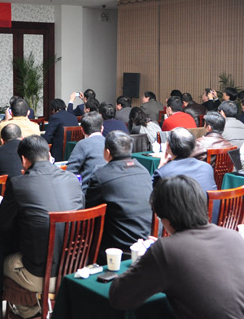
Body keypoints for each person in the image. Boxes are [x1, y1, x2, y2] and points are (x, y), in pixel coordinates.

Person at [109, 175, 244, 319]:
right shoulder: (234, 237)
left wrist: (146, 256)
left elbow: (119, 297)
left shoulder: (165, 250)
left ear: (166, 220)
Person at [0, 135, 83, 319]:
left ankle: (29, 308)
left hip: (39, 274)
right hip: (75, 268)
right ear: (49, 155)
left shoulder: (18, 183)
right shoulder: (72, 179)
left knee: (1, 261)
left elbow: (2, 224)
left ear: (24, 160)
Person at [85, 131, 152, 262]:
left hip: (118, 249)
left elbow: (89, 212)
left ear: (107, 152)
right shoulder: (144, 171)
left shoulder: (101, 176)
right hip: (146, 244)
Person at [153, 127, 216, 193]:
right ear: (193, 147)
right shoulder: (207, 167)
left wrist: (160, 167)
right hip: (205, 200)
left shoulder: (163, 172)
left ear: (168, 146)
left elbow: (150, 193)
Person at [66, 112, 107, 191]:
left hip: (87, 192)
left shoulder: (82, 144)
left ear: (82, 130)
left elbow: (70, 171)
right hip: (107, 191)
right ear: (102, 128)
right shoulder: (109, 142)